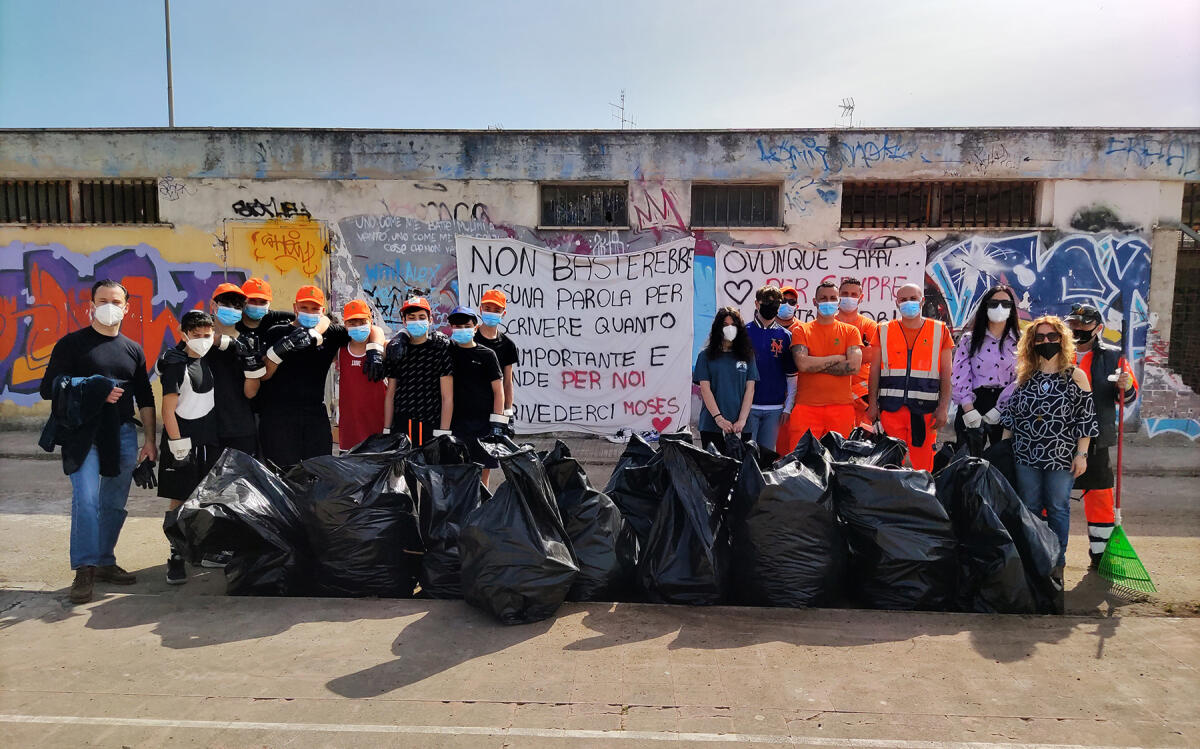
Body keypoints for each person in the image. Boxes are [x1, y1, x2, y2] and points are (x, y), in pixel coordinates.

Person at [39, 279, 157, 604]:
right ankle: (85, 568)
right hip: (82, 433)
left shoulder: (133, 349)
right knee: (87, 500)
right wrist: (91, 384)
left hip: (121, 432)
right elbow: (49, 387)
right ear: (90, 305)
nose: (109, 305)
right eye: (102, 299)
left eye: (116, 300)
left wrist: (150, 441)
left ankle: (105, 560)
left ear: (127, 307)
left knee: (114, 503)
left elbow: (145, 397)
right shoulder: (71, 344)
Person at [999, 315, 1099, 580]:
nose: (1046, 342)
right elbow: (1012, 418)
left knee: (1057, 507)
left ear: (1062, 339)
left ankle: (1057, 561)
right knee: (1029, 506)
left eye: (1052, 337)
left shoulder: (1075, 376)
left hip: (1062, 456)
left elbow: (1085, 419)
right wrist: (1003, 448)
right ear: (1031, 343)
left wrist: (1082, 454)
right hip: (1025, 454)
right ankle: (1035, 557)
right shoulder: (1025, 377)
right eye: (1040, 337)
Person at [259, 286, 384, 469]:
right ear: (295, 308)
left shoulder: (331, 334)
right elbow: (264, 375)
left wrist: (375, 351)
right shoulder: (276, 332)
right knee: (281, 473)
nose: (309, 312)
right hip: (278, 415)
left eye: (315, 309)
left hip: (314, 414)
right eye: (304, 308)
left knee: (320, 471)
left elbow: (371, 329)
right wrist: (280, 349)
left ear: (322, 311)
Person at [1065, 304, 1139, 568]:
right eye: (1074, 324)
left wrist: (1126, 385)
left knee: (1099, 498)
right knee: (1048, 499)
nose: (1078, 329)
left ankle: (1101, 557)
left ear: (1098, 329)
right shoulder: (1057, 352)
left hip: (1096, 439)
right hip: (1056, 439)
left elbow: (1128, 398)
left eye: (1084, 325)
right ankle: (1047, 552)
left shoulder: (1114, 357)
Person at [157, 311, 222, 585]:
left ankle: (205, 549)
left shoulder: (207, 359)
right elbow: (168, 410)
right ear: (184, 334)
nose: (203, 340)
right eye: (196, 336)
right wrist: (178, 447)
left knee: (206, 497)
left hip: (208, 440)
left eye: (207, 335)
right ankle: (175, 556)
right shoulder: (175, 365)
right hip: (181, 442)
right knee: (179, 499)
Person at [867, 283, 954, 472]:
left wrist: (943, 408)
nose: (909, 303)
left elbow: (946, 375)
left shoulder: (940, 331)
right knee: (889, 466)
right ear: (897, 303)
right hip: (891, 409)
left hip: (925, 412)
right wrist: (872, 404)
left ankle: (920, 500)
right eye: (904, 299)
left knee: (923, 467)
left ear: (922, 301)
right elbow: (874, 371)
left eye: (913, 299)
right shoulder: (883, 330)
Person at [782, 281, 863, 448]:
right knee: (800, 463)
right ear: (814, 301)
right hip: (806, 408)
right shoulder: (801, 330)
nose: (828, 302)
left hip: (841, 408)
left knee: (839, 463)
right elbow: (803, 365)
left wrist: (816, 364)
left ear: (838, 301)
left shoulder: (851, 331)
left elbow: (854, 366)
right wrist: (838, 358)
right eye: (823, 298)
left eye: (833, 298)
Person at [950, 284, 1020, 455]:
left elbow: (1023, 376)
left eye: (1006, 304)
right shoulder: (969, 339)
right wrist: (968, 408)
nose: (1000, 308)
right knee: (967, 461)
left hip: (1007, 403)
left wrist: (1001, 407)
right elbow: (960, 374)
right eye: (994, 303)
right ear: (985, 306)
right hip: (974, 401)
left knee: (1002, 461)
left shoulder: (1021, 340)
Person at [447, 306, 507, 483]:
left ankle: (482, 508)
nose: (461, 329)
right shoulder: (446, 353)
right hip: (455, 425)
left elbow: (499, 391)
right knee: (458, 475)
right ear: (451, 328)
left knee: (482, 474)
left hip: (483, 426)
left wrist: (497, 425)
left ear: (475, 327)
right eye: (457, 326)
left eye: (466, 325)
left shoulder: (487, 355)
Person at [383, 296, 453, 447]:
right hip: (401, 424)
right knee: (403, 469)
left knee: (427, 469)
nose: (416, 321)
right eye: (411, 317)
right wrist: (387, 429)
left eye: (422, 317)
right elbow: (391, 393)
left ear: (430, 320)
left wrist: (444, 432)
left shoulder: (440, 348)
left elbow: (447, 396)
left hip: (429, 423)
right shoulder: (397, 349)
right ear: (404, 321)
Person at [693, 307, 758, 454]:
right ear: (718, 328)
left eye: (733, 325)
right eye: (725, 325)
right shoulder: (705, 356)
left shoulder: (748, 356)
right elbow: (705, 389)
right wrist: (719, 419)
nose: (729, 329)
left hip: (741, 427)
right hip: (712, 425)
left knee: (742, 472)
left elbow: (750, 389)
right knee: (716, 473)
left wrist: (742, 420)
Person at [744, 286, 794, 450]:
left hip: (775, 409)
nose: (772, 307)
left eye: (776, 304)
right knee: (746, 456)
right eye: (767, 302)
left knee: (767, 457)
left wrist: (787, 407)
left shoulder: (786, 336)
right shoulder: (743, 333)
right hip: (747, 408)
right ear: (757, 304)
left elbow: (792, 375)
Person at [337, 299, 388, 451]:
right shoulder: (340, 351)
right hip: (349, 435)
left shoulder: (383, 348)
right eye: (352, 322)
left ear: (370, 321)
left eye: (362, 321)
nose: (358, 326)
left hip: (378, 433)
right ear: (345, 324)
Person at [835, 277, 879, 428]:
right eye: (845, 293)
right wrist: (859, 354)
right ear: (838, 296)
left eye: (854, 294)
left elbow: (873, 355)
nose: (849, 298)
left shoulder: (870, 326)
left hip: (862, 399)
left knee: (861, 444)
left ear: (860, 298)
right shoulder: (827, 324)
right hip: (833, 395)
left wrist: (835, 356)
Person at [474, 289, 519, 429]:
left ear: (503, 313)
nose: (491, 313)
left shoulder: (508, 345)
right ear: (480, 309)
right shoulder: (470, 339)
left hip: (495, 409)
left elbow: (508, 381)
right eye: (487, 308)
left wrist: (508, 411)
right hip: (470, 409)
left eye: (496, 310)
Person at [774, 286, 801, 455]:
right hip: (772, 398)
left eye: (792, 302)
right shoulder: (766, 329)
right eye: (783, 301)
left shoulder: (803, 330)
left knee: (795, 446)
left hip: (799, 398)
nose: (787, 305)